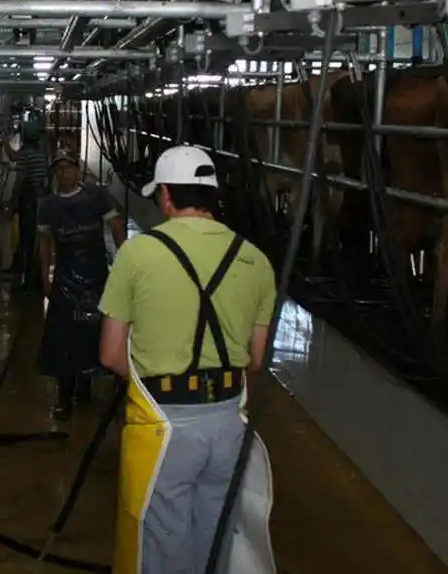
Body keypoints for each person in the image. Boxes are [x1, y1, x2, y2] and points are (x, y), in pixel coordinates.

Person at [97, 145, 276, 574]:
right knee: (215, 535)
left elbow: (110, 355)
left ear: (165, 196)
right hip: (229, 423)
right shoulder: (255, 259)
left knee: (162, 540)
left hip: (164, 422)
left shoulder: (138, 254)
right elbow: (255, 358)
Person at [38, 150, 126, 420]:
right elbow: (45, 243)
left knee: (92, 333)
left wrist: (125, 263)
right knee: (63, 337)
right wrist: (45, 277)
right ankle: (65, 395)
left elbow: (116, 225)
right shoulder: (48, 205)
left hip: (95, 275)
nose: (65, 174)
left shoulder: (97, 197)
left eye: (69, 168)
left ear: (78, 170)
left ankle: (86, 386)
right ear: (55, 174)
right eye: (59, 169)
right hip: (65, 278)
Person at [0, 120, 50, 291]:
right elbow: (15, 156)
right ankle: (19, 267)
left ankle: (28, 281)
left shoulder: (27, 153)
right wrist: (6, 144)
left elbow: (20, 180)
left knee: (28, 238)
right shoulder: (39, 152)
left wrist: (12, 205)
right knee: (30, 237)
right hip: (41, 198)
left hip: (31, 200)